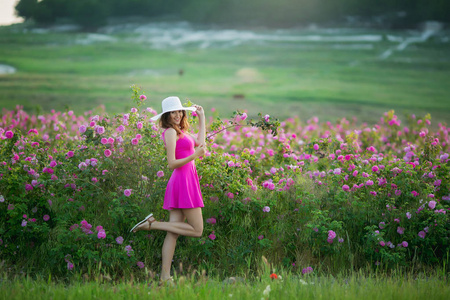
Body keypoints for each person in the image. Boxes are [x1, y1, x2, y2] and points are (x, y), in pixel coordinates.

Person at [130, 96, 206, 283]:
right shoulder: (171, 132)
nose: (177, 115)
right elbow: (171, 163)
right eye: (173, 112)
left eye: (179, 111)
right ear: (166, 116)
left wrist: (202, 118)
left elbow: (200, 144)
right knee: (197, 230)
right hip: (182, 181)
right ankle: (152, 225)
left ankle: (165, 277)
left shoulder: (182, 131)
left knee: (173, 232)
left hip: (187, 180)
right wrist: (194, 155)